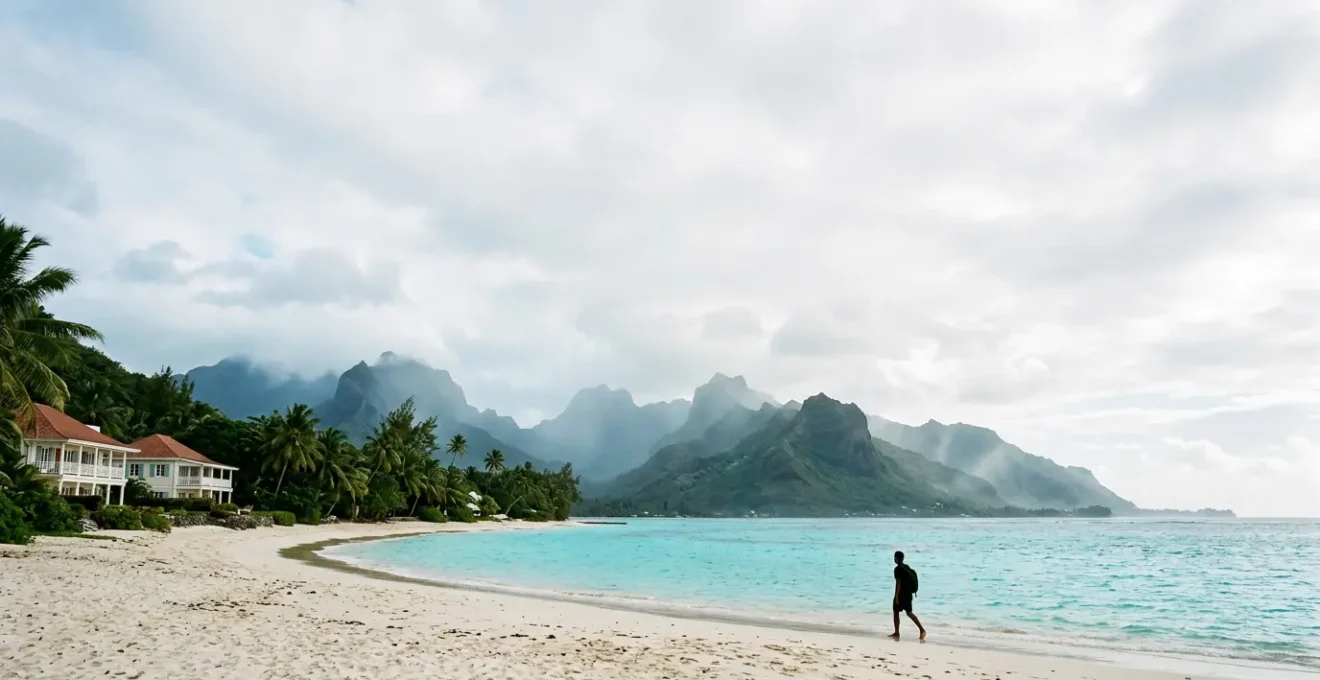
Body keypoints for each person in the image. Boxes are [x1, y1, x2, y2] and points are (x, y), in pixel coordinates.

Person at [888, 550, 926, 641]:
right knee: (908, 613)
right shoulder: (907, 567)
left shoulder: (897, 569)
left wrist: (896, 597)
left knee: (896, 611)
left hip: (901, 594)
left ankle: (897, 632)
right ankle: (921, 630)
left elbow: (898, 584)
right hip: (908, 595)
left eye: (895, 557)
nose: (894, 559)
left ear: (896, 559)